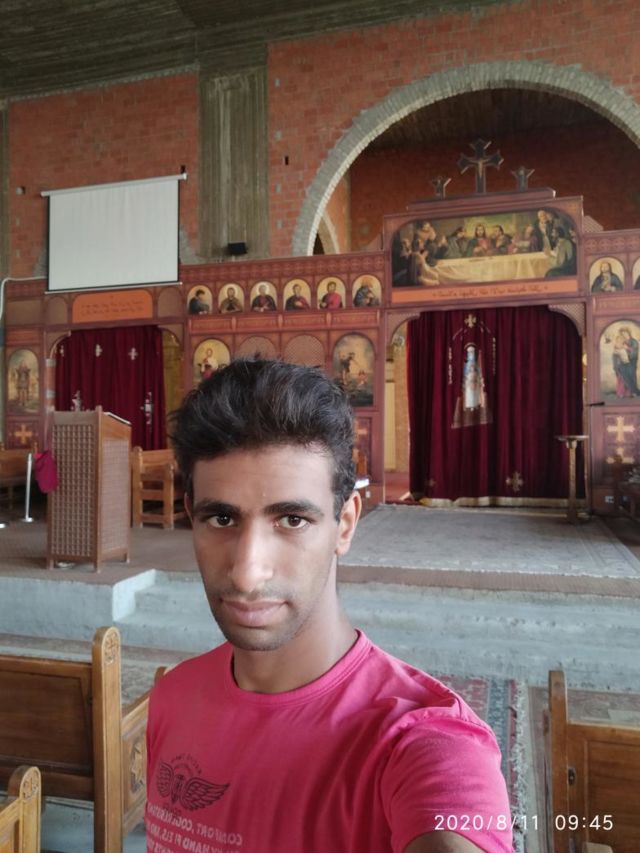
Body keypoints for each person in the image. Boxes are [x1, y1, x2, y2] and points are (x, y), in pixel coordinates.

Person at [146, 359, 512, 853]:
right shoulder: (173, 697)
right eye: (222, 520)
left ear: (345, 525)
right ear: (191, 516)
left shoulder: (421, 742)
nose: (247, 572)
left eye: (292, 520)